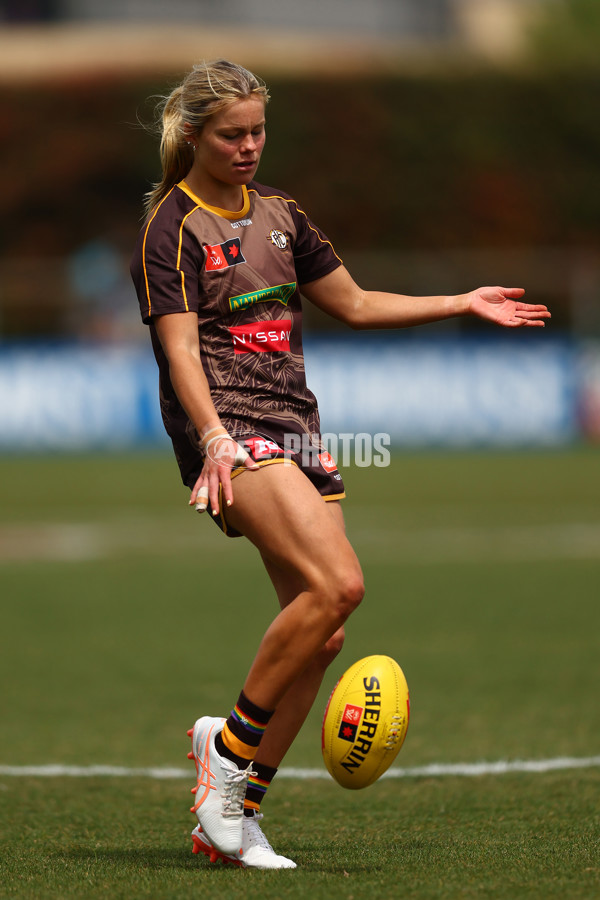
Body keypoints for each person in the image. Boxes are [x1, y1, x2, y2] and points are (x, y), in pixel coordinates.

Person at [130, 59, 550, 871]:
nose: (249, 146)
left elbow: (354, 303)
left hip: (298, 428)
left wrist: (460, 302)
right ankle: (225, 751)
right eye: (232, 134)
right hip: (230, 429)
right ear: (192, 135)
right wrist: (214, 438)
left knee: (324, 633)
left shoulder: (284, 216)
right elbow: (178, 351)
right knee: (340, 585)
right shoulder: (170, 228)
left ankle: (236, 815)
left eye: (258, 130)